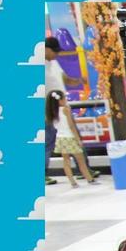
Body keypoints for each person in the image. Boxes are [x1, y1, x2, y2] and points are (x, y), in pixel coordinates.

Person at [44, 37, 96, 187]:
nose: (56, 54)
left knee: (75, 136)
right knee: (48, 142)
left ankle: (83, 170)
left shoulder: (54, 63)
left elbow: (65, 79)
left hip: (63, 108)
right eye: (54, 51)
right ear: (46, 49)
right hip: (48, 111)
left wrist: (79, 80)